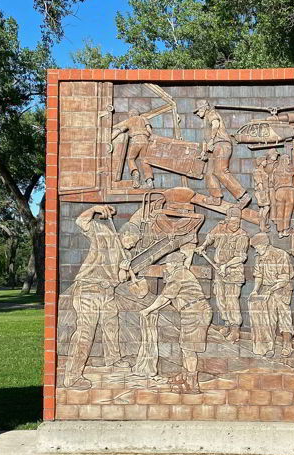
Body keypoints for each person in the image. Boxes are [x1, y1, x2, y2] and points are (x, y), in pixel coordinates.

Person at [63, 205, 142, 390]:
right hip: (89, 289)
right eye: (133, 240)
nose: (134, 244)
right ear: (126, 234)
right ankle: (72, 377)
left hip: (107, 293)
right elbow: (81, 221)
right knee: (85, 333)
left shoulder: (127, 254)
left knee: (112, 325)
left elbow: (120, 280)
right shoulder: (105, 234)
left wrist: (124, 269)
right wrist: (95, 209)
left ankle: (113, 360)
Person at [140, 252, 212, 394]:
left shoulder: (179, 275)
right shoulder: (181, 273)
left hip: (195, 313)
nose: (166, 267)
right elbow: (168, 299)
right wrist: (155, 310)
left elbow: (165, 297)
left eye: (167, 264)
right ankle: (185, 377)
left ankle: (193, 384)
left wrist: (148, 310)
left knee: (189, 349)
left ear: (174, 264)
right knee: (186, 348)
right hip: (192, 312)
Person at [195, 207, 249, 343]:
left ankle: (235, 330)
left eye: (238, 222)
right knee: (220, 298)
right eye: (232, 223)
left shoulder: (242, 236)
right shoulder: (220, 228)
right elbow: (210, 237)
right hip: (219, 269)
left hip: (233, 271)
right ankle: (227, 324)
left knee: (231, 300)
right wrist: (203, 246)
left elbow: (241, 257)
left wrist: (226, 265)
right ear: (226, 221)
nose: (235, 225)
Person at [193, 99, 250, 208]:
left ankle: (243, 196)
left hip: (221, 145)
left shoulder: (211, 114)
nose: (197, 113)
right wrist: (203, 152)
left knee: (220, 171)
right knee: (209, 173)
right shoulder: (204, 122)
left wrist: (211, 140)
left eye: (198, 110)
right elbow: (205, 140)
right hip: (213, 148)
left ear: (204, 108)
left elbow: (216, 125)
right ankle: (215, 197)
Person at [248, 233, 294, 357]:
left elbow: (284, 278)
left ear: (263, 245)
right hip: (267, 290)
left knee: (284, 317)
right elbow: (259, 276)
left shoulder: (280, 255)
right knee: (269, 319)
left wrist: (271, 290)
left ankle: (287, 344)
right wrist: (255, 290)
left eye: (256, 247)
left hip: (282, 289)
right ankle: (269, 347)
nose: (256, 250)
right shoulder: (259, 257)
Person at [111, 109, 153, 189]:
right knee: (145, 160)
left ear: (130, 114)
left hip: (136, 140)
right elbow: (149, 130)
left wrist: (110, 138)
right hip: (145, 140)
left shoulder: (129, 120)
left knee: (130, 158)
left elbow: (119, 130)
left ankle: (135, 173)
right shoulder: (143, 118)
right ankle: (149, 181)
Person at [271, 153, 294, 237]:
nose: (289, 160)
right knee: (287, 211)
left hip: (279, 191)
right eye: (288, 158)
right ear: (284, 160)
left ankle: (280, 231)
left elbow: (272, 182)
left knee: (280, 211)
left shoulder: (276, 170)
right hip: (288, 190)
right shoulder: (290, 170)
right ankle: (285, 230)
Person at [252, 157, 271, 232]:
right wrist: (263, 192)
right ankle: (262, 226)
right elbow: (259, 182)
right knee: (266, 208)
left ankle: (263, 225)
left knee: (262, 208)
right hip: (261, 192)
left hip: (264, 191)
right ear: (260, 162)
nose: (266, 161)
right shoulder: (257, 171)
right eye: (264, 160)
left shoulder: (262, 170)